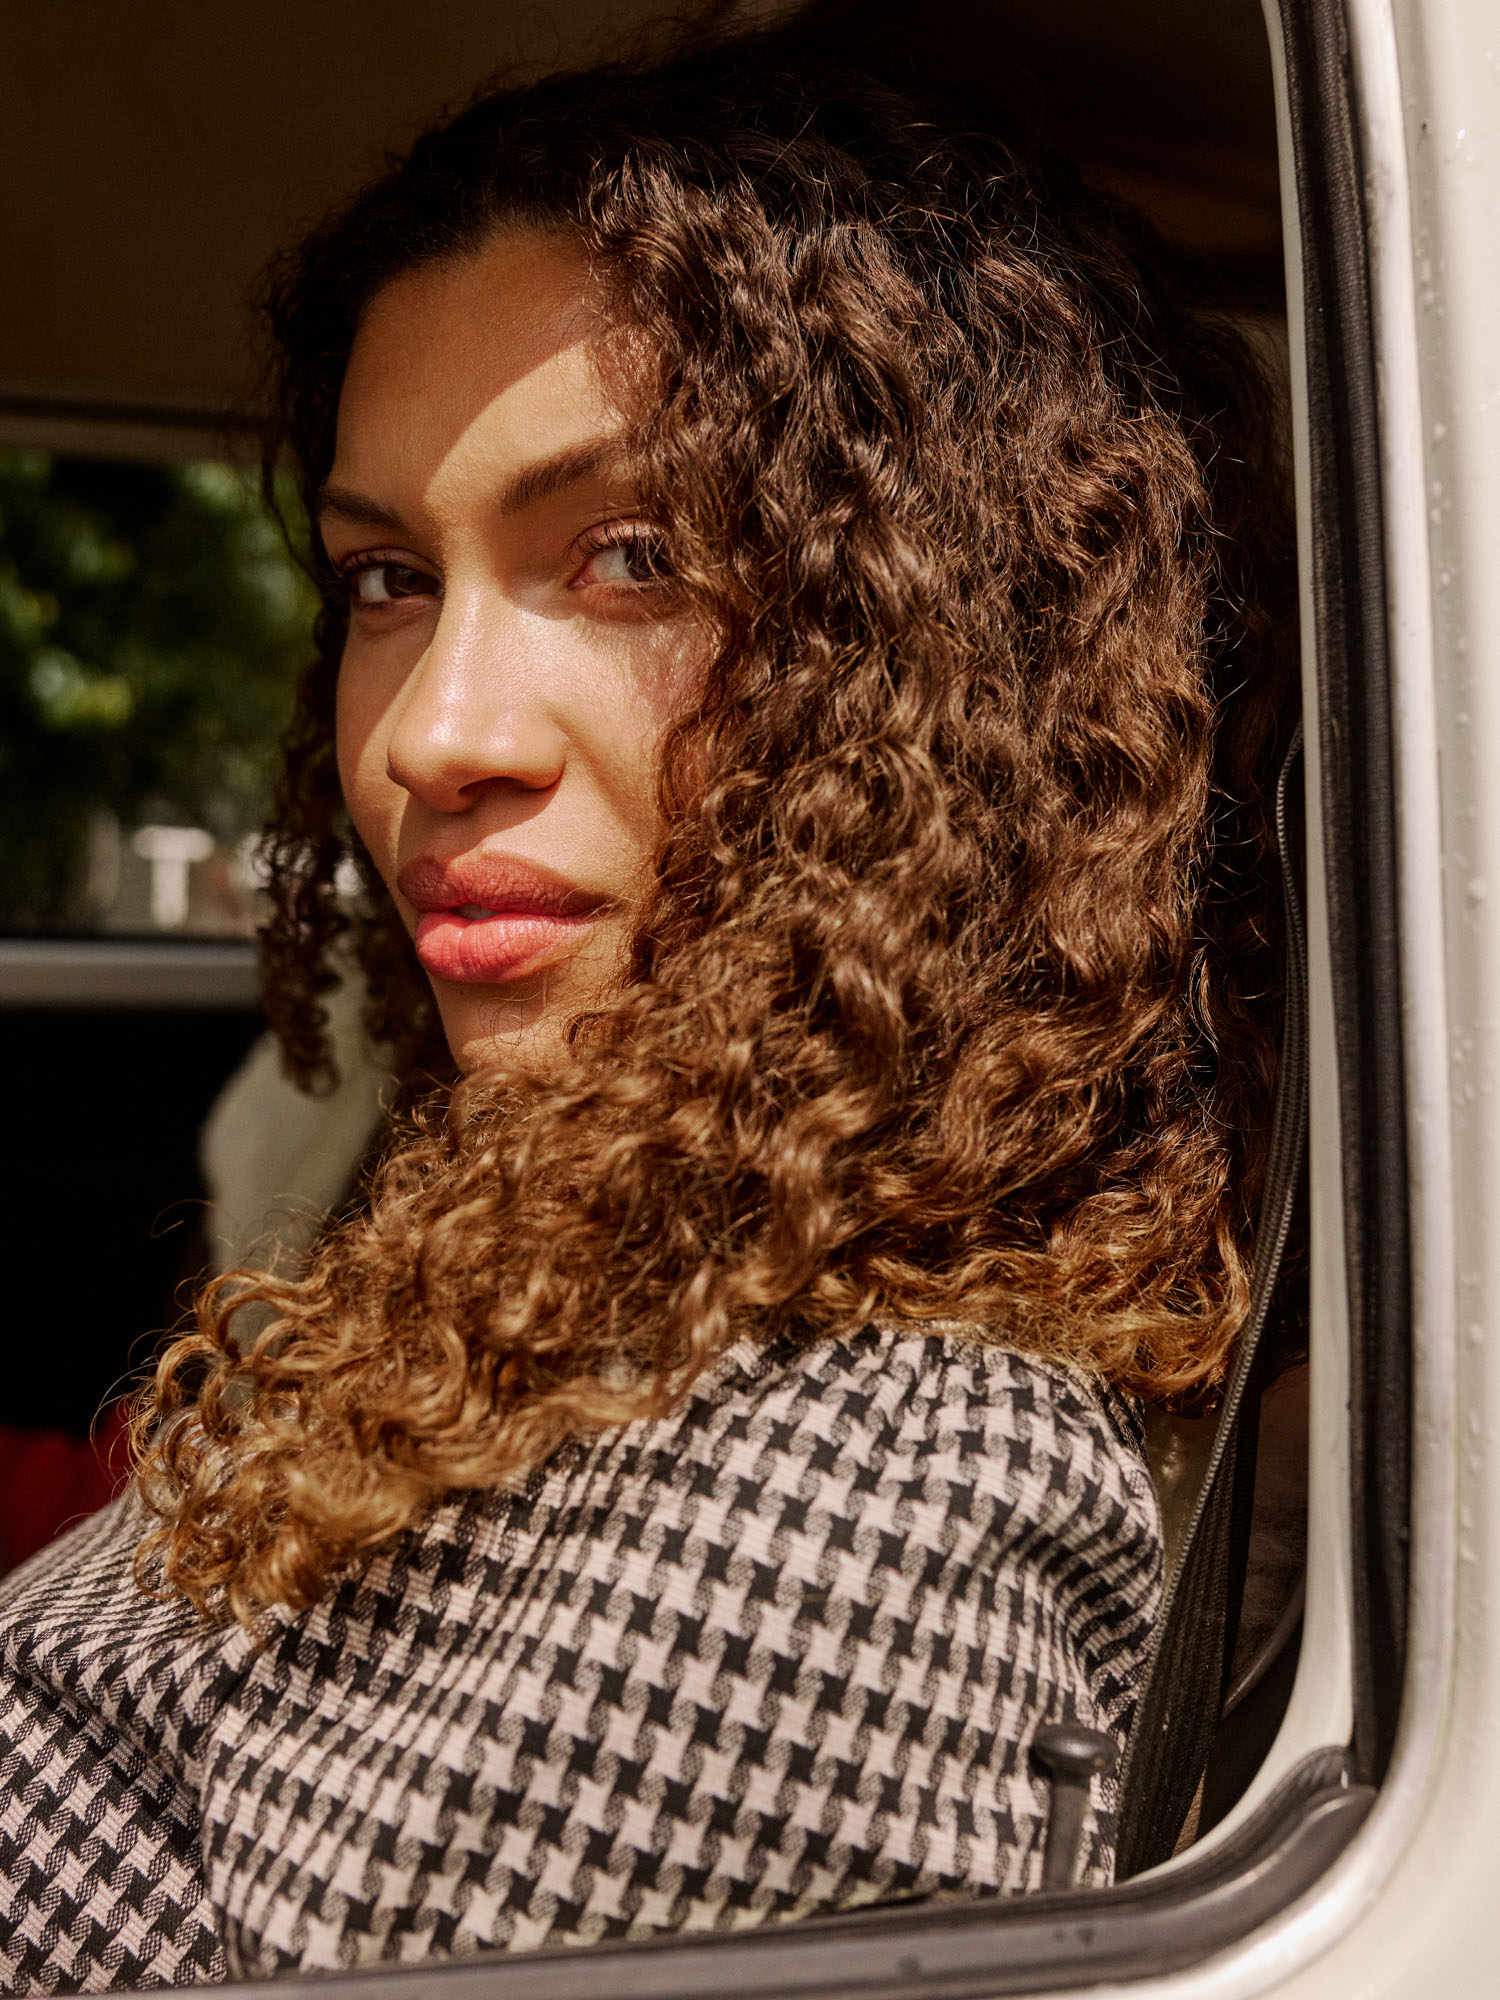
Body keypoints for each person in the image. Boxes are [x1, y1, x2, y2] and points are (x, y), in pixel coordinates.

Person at [0, 25, 1295, 1992]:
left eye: (631, 557)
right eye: (382, 580)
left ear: (946, 661)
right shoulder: (576, 1236)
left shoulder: (867, 1502)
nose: (432, 735)